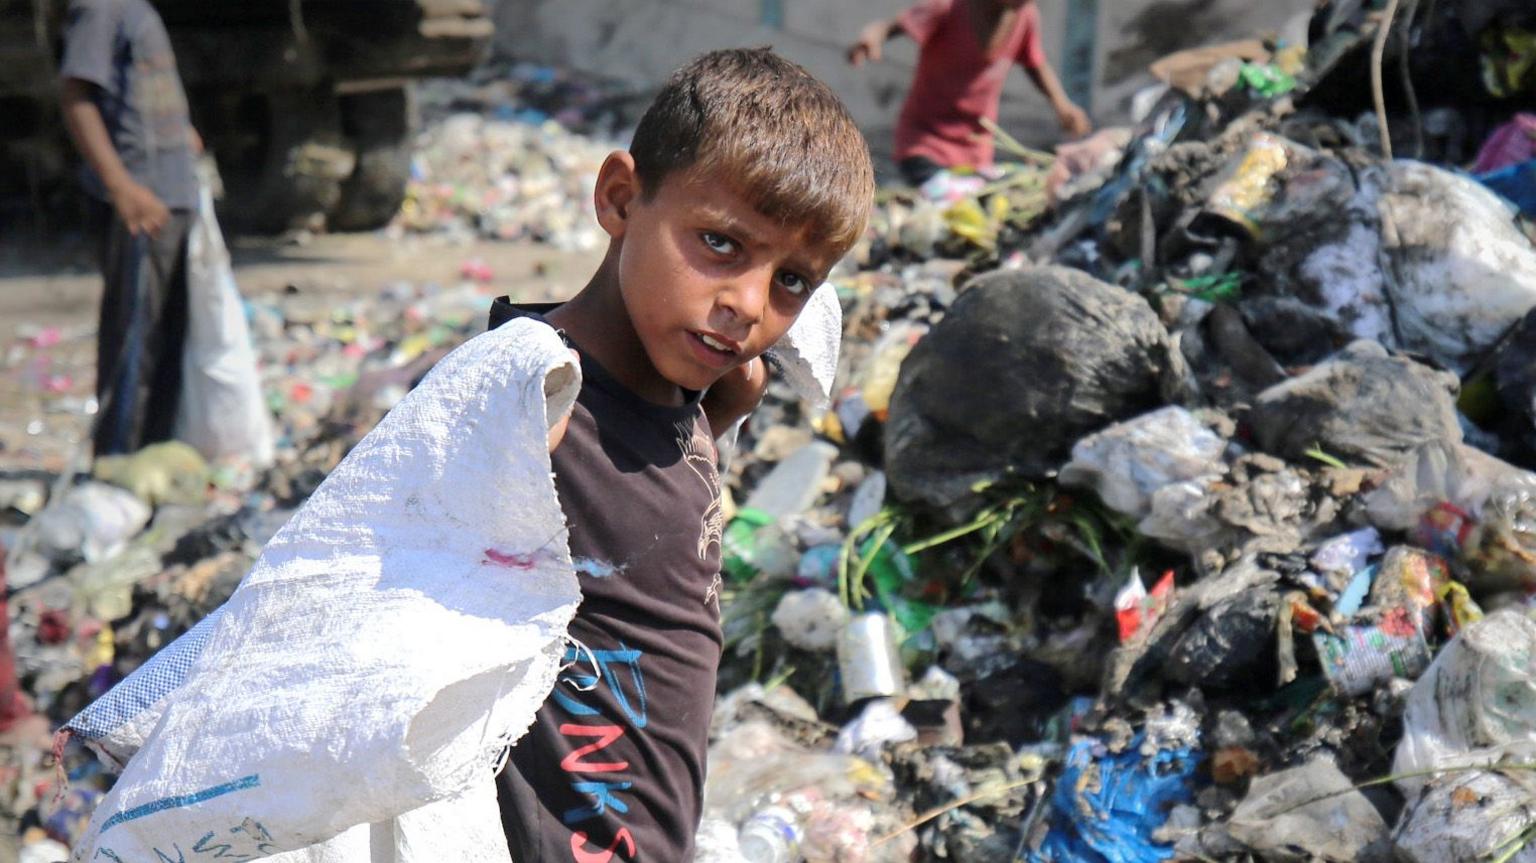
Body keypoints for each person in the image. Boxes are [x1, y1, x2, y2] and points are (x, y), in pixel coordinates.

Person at [488, 48, 874, 861]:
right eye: (721, 244)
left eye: (793, 282)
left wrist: (718, 415)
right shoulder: (530, 408)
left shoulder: (700, 393)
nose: (747, 306)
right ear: (621, 198)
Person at [58, 0, 202, 457]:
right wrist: (120, 186)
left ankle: (153, 457)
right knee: (133, 346)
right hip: (144, 202)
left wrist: (184, 135)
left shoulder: (136, 8)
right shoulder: (100, 8)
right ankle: (117, 461)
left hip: (174, 194)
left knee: (169, 342)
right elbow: (75, 95)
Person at [848, 0, 1092, 187]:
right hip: (925, 145)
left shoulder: (1024, 16)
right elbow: (891, 27)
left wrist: (1063, 106)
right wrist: (873, 37)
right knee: (951, 202)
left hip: (976, 151)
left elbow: (1034, 63)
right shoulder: (949, 7)